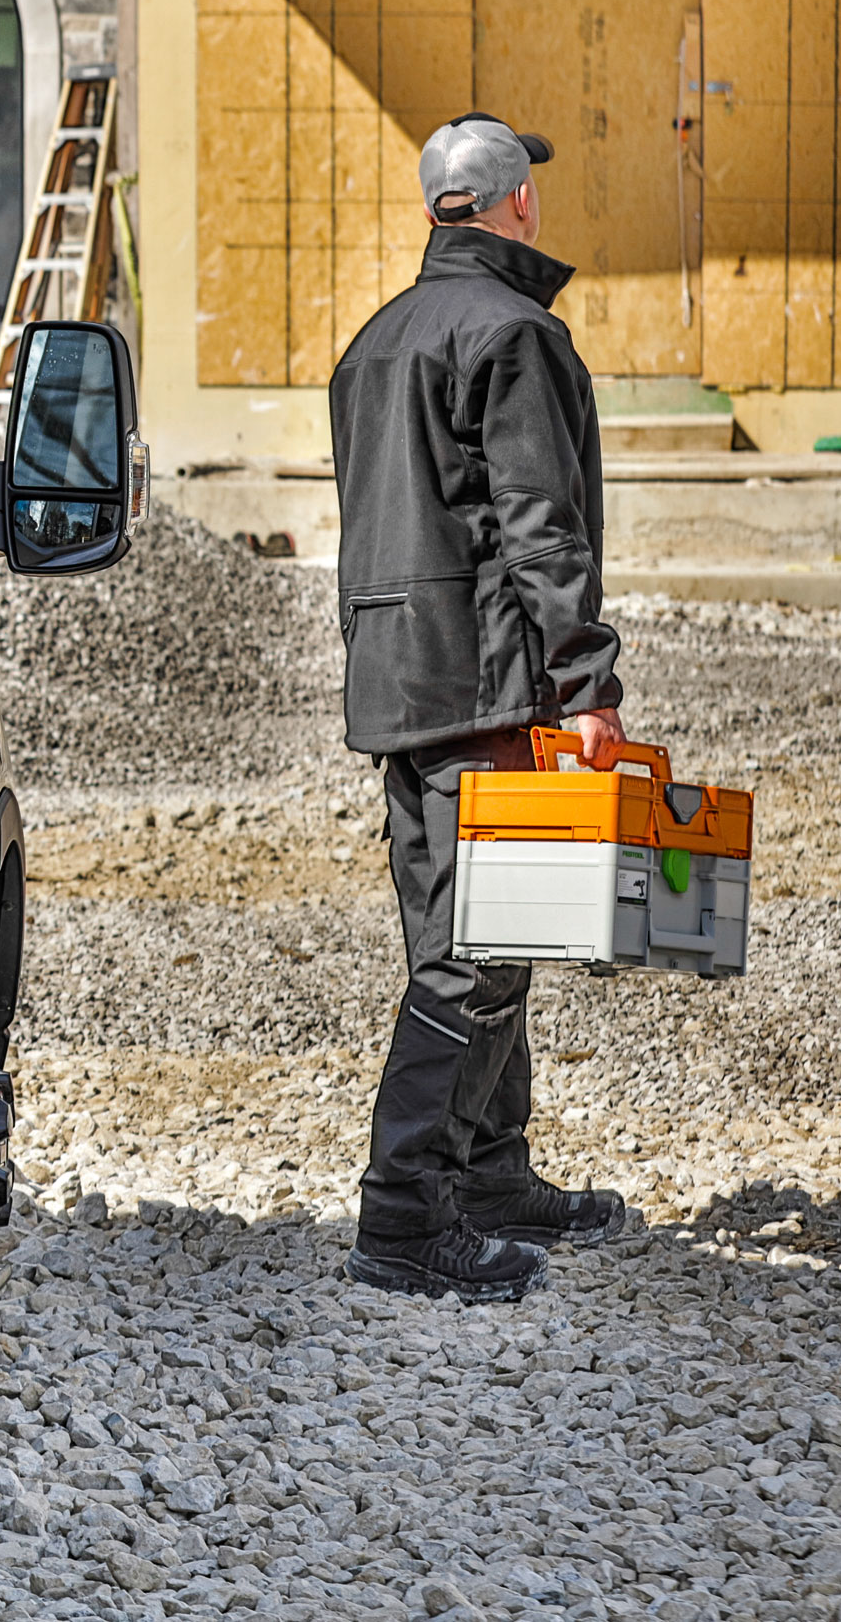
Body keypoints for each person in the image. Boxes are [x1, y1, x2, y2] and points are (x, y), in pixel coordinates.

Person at [327, 114, 634, 1304]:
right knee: (474, 956)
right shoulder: (514, 331)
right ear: (518, 207)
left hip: (397, 686)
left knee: (469, 937)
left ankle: (491, 1174)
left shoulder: (377, 337)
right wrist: (586, 683)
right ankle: (403, 1221)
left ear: (430, 210)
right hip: (485, 684)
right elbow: (537, 522)